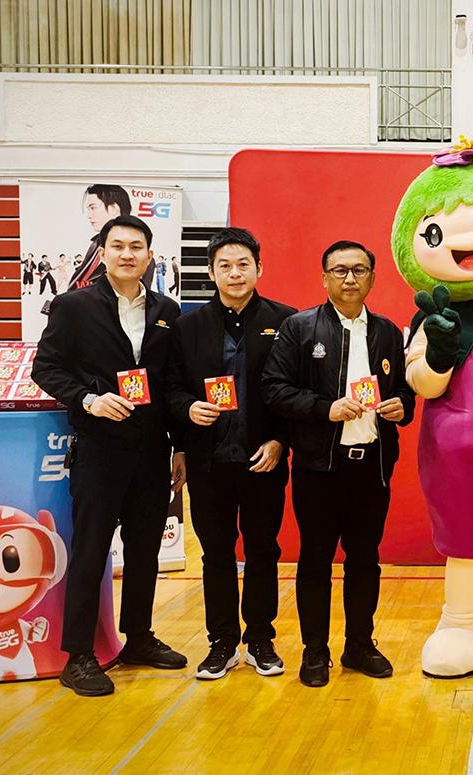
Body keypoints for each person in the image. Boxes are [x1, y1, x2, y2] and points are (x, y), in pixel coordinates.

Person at [31, 214, 188, 697]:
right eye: (117, 245)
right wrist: (88, 400)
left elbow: (172, 381)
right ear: (102, 253)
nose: (127, 254)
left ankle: (138, 638)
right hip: (99, 448)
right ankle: (78, 655)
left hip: (152, 449)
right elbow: (46, 368)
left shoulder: (167, 310)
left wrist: (180, 444)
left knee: (145, 551)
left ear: (150, 255)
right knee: (92, 549)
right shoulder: (73, 306)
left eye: (136, 246)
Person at [263, 240, 415, 688]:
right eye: (340, 270)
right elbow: (274, 388)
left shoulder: (387, 332)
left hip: (372, 467)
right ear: (324, 277)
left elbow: (403, 389)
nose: (350, 278)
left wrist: (402, 407)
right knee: (315, 560)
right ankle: (315, 651)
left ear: (373, 277)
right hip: (319, 467)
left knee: (365, 559)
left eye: (359, 270)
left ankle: (359, 645)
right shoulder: (299, 327)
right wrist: (323, 408)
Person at [166, 227, 297, 681]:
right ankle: (221, 643)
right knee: (215, 554)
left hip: (264, 459)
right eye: (225, 265)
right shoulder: (187, 326)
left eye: (243, 264)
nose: (235, 273)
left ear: (259, 268)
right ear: (211, 272)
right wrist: (187, 412)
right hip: (208, 461)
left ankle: (260, 639)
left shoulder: (286, 322)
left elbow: (295, 391)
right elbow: (170, 387)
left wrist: (280, 440)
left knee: (263, 550)